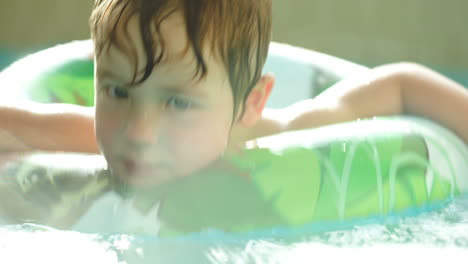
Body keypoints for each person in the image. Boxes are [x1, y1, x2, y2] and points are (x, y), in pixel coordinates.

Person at [0, 0, 467, 231]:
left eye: (177, 102)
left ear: (251, 102)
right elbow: (12, 120)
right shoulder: (93, 138)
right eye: (118, 91)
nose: (138, 133)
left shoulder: (283, 134)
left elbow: (403, 85)